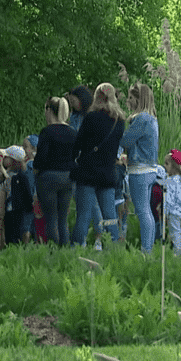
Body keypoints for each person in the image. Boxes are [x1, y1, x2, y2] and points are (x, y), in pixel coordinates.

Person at [70, 83, 126, 248]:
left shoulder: (91, 117)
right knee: (109, 215)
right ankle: (113, 247)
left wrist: (74, 158)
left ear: (97, 97)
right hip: (108, 172)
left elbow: (79, 142)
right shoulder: (119, 121)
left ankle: (76, 247)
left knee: (84, 214)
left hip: (88, 171)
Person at [120, 82, 159, 254]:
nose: (127, 101)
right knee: (147, 211)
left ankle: (146, 250)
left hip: (139, 169)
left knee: (142, 211)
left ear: (138, 99)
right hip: (150, 168)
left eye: (130, 97)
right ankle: (148, 248)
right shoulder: (152, 119)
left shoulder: (141, 119)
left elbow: (125, 141)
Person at [33, 97, 77, 246]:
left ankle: (53, 250)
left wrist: (36, 170)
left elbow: (40, 159)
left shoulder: (47, 132)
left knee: (51, 217)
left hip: (49, 178)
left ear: (49, 110)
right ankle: (65, 249)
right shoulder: (72, 132)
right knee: (62, 218)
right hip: (68, 177)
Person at [66, 85, 103, 246]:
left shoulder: (93, 115)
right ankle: (80, 240)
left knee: (93, 203)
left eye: (74, 101)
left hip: (90, 162)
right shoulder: (73, 118)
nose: (73, 104)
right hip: (76, 162)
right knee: (80, 202)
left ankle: (98, 237)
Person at [2, 145, 32, 245]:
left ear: (13, 160)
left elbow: (27, 193)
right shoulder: (9, 173)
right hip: (10, 209)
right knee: (10, 232)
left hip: (16, 209)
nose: (4, 158)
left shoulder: (20, 176)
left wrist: (28, 207)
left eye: (6, 157)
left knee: (14, 233)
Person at [21, 135, 38, 244]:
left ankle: (24, 249)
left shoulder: (29, 164)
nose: (23, 150)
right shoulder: (41, 163)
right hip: (39, 198)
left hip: (29, 199)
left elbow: (28, 181)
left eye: (25, 147)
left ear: (34, 148)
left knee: (26, 227)